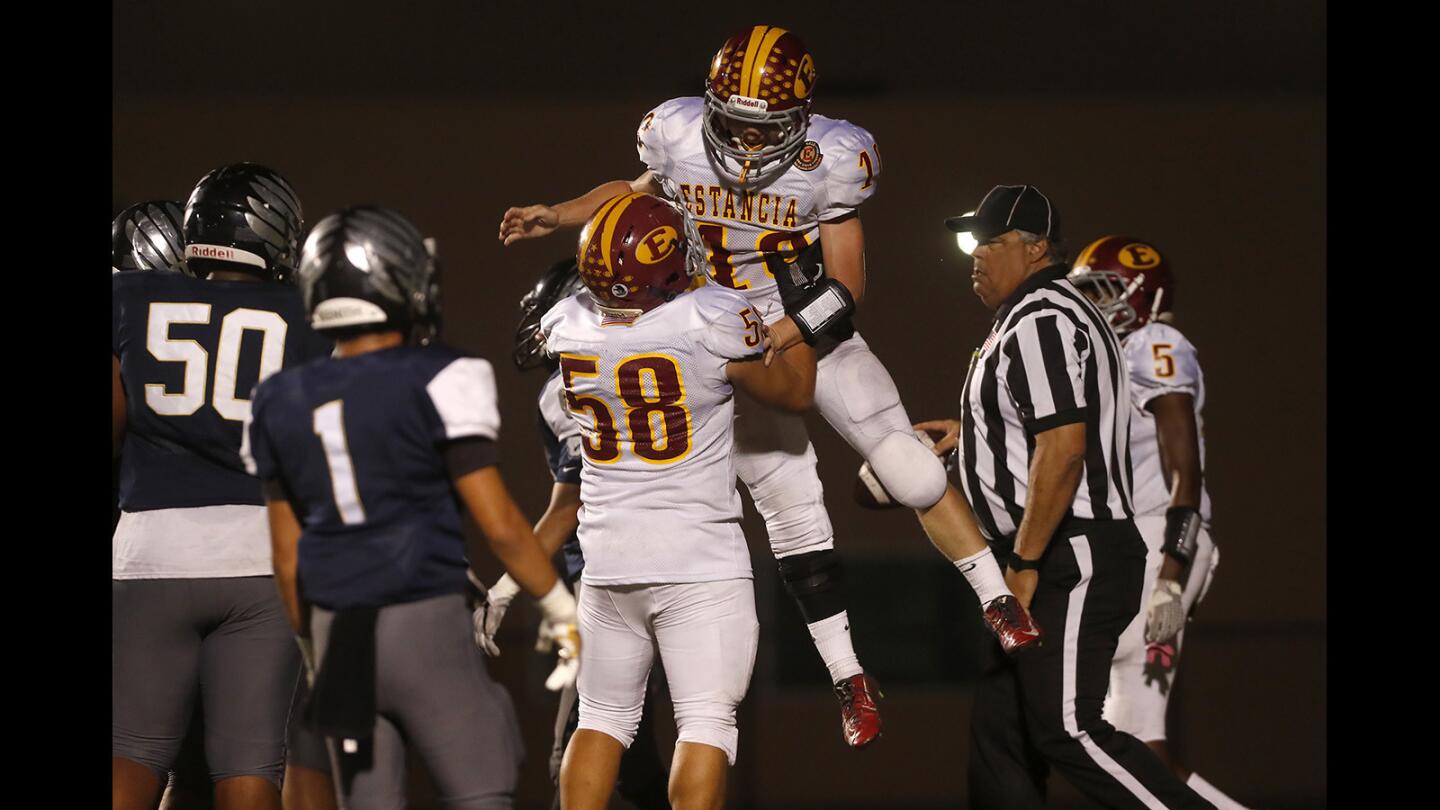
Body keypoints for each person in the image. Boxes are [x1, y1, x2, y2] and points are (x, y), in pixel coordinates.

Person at [499, 24, 1037, 748]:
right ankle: (850, 677)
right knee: (792, 512)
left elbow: (847, 284)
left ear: (802, 122)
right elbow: (633, 193)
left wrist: (780, 335)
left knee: (907, 469)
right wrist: (558, 215)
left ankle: (996, 599)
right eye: (735, 128)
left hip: (807, 329)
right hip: (724, 340)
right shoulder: (677, 134)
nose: (749, 149)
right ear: (710, 108)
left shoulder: (832, 158)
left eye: (767, 132)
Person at [242, 204, 578, 810]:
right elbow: (499, 523)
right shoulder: (440, 374)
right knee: (484, 789)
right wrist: (558, 607)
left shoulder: (277, 398)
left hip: (335, 629)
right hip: (424, 622)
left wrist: (317, 653)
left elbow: (287, 558)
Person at [935, 185, 1213, 809]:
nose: (975, 256)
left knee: (1069, 728)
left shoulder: (1042, 318)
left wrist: (1026, 564)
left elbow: (1062, 446)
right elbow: (1043, 423)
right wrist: (971, 437)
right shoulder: (1046, 314)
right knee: (1001, 735)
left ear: (1036, 249)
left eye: (990, 241)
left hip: (1068, 551)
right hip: (1060, 546)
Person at [547, 192, 814, 809]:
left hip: (608, 559)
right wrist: (797, 312)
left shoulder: (569, 323)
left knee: (602, 719)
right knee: (706, 724)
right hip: (697, 559)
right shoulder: (711, 319)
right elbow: (794, 392)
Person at [112, 164, 331, 810]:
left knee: (132, 757)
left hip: (150, 551)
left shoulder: (131, 299)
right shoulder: (308, 317)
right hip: (257, 557)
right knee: (250, 766)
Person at [478, 257, 671, 809]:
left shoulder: (571, 383)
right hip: (681, 568)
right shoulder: (657, 358)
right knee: (640, 761)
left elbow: (572, 502)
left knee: (573, 754)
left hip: (609, 577)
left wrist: (506, 588)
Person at [1068, 236, 1250, 810]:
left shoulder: (1154, 341)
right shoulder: (1105, 359)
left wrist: (1172, 569)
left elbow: (1185, 470)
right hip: (1141, 546)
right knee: (1141, 753)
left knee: (1098, 733)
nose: (1093, 305)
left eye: (1103, 291)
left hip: (1159, 542)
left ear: (1141, 295)